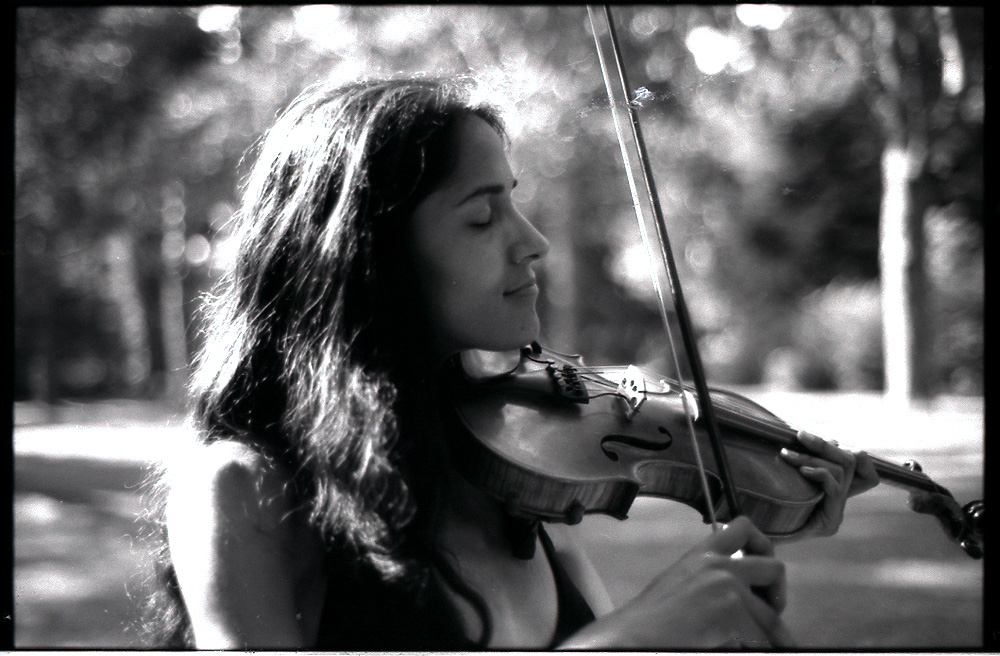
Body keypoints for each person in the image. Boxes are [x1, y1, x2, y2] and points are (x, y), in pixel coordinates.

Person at [142, 75, 880, 650]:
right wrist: (635, 639)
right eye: (481, 215)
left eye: (516, 204)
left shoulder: (506, 465)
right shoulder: (247, 489)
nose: (532, 242)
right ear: (368, 255)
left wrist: (761, 519)